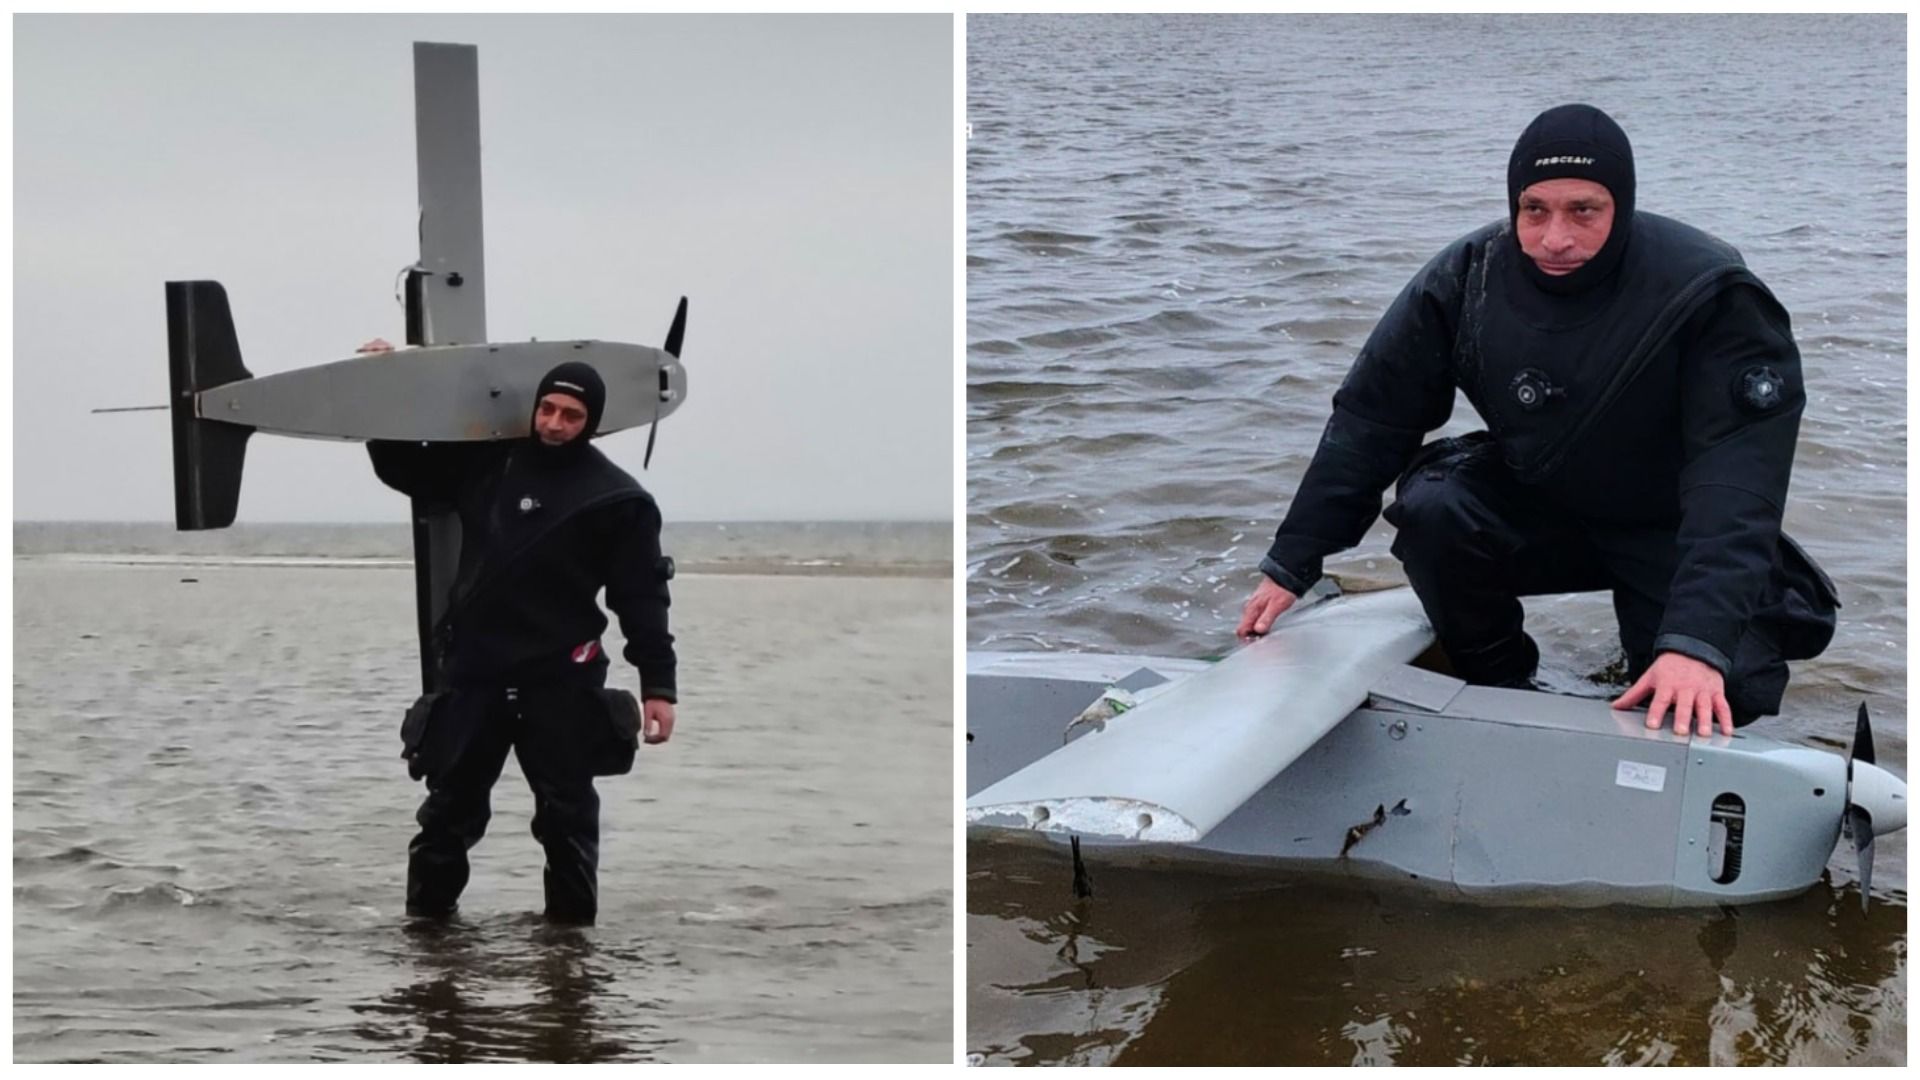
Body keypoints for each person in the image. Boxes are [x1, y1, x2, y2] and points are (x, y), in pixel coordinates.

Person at [1236, 103, 1837, 739]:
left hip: (1671, 524)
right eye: (1535, 210)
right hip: (1543, 504)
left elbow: (1737, 484)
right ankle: (1499, 684)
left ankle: (1672, 651)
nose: (1555, 238)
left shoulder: (1710, 293)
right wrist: (1293, 561)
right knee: (1435, 506)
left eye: (1584, 210)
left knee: (1724, 688)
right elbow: (1370, 420)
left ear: (1622, 206)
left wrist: (1696, 644)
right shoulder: (1468, 277)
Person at [363, 348, 678, 925]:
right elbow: (404, 469)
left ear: (593, 422)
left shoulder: (617, 500)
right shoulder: (490, 466)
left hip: (560, 683)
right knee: (446, 821)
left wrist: (659, 684)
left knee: (567, 823)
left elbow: (641, 598)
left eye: (571, 416)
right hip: (476, 677)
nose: (555, 424)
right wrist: (388, 380)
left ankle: (572, 958)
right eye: (548, 410)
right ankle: (427, 952)